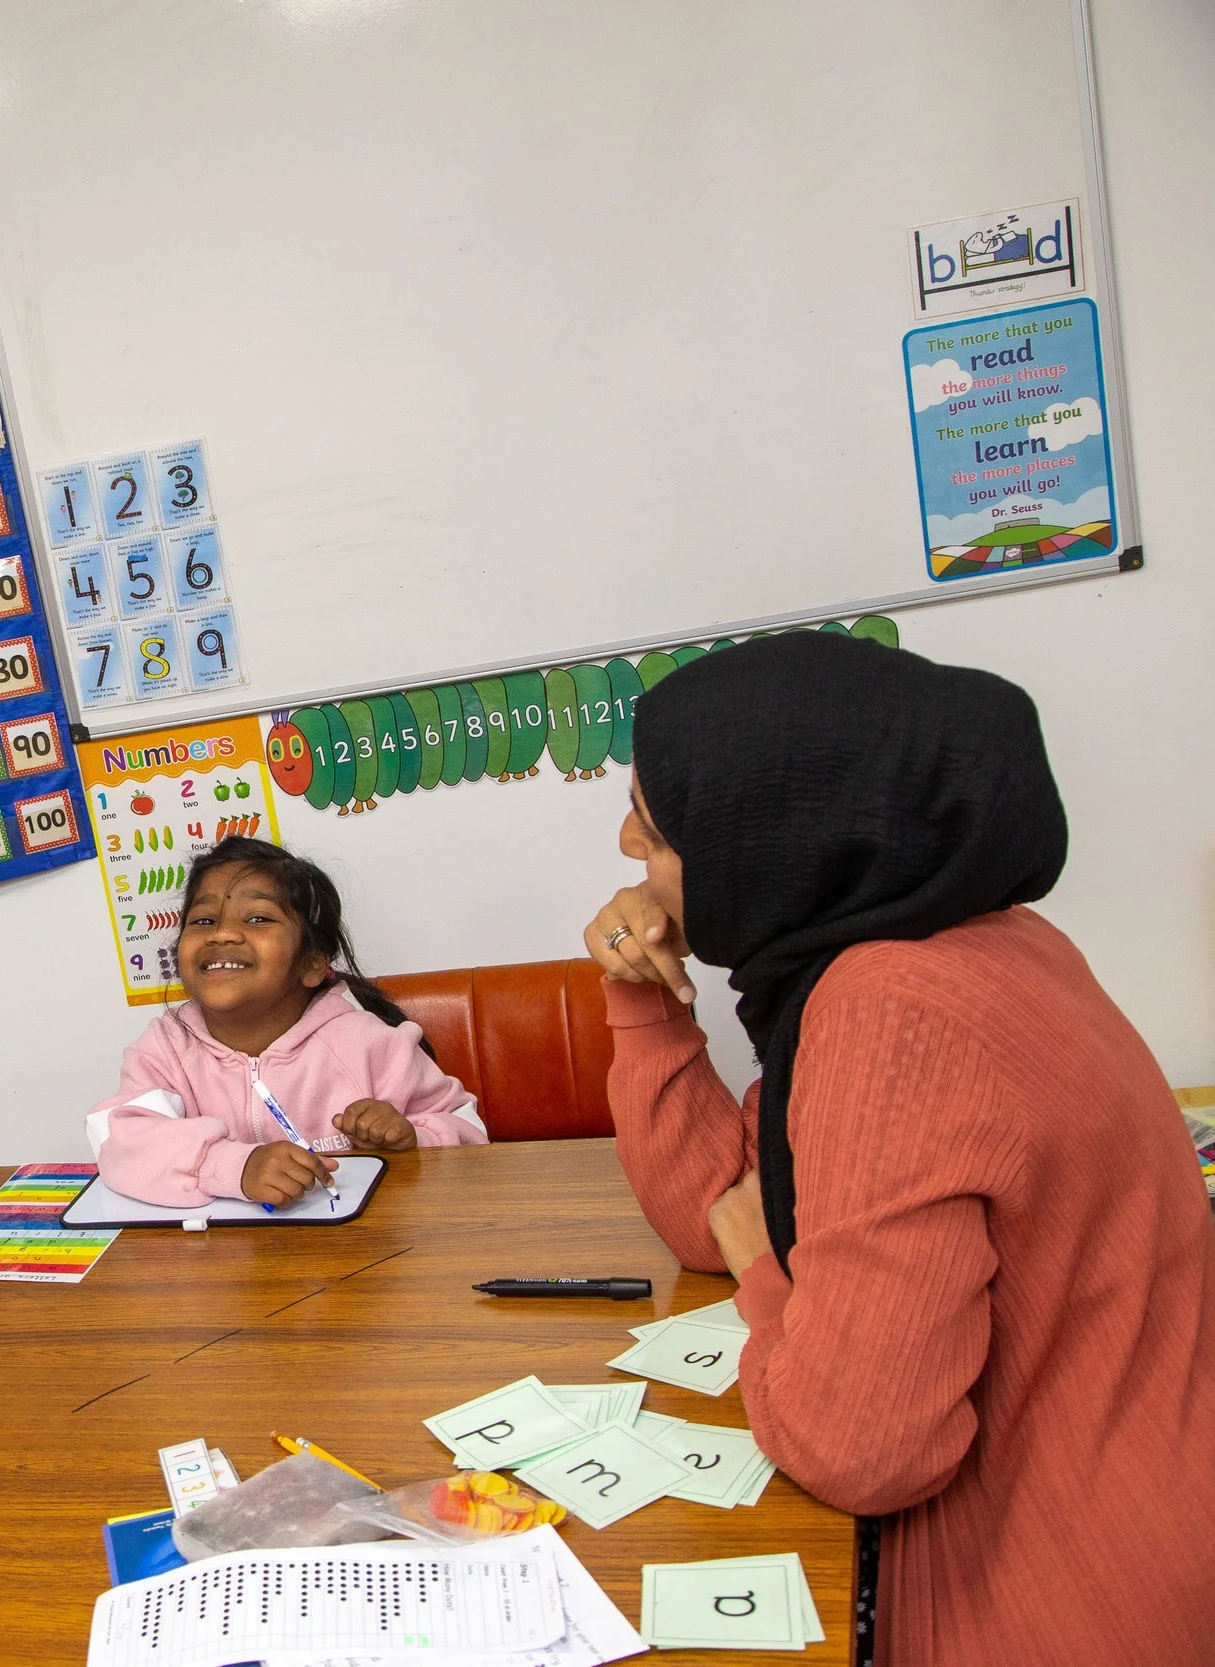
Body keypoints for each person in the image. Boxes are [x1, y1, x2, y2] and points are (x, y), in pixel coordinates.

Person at [583, 630, 1215, 1667]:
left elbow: (862, 1448)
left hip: (1059, 1588)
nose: (621, 844)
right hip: (1143, 1503)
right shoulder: (962, 938)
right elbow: (710, 1204)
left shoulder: (886, 1010)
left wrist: (764, 1272)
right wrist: (638, 997)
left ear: (772, 835)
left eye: (653, 829)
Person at [88, 837, 485, 1208]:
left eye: (258, 918)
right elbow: (120, 1141)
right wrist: (236, 1168)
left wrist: (413, 1139)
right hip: (227, 1268)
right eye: (204, 921)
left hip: (363, 1259)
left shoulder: (369, 1044)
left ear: (313, 964)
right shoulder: (167, 1048)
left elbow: (469, 1134)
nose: (223, 933)